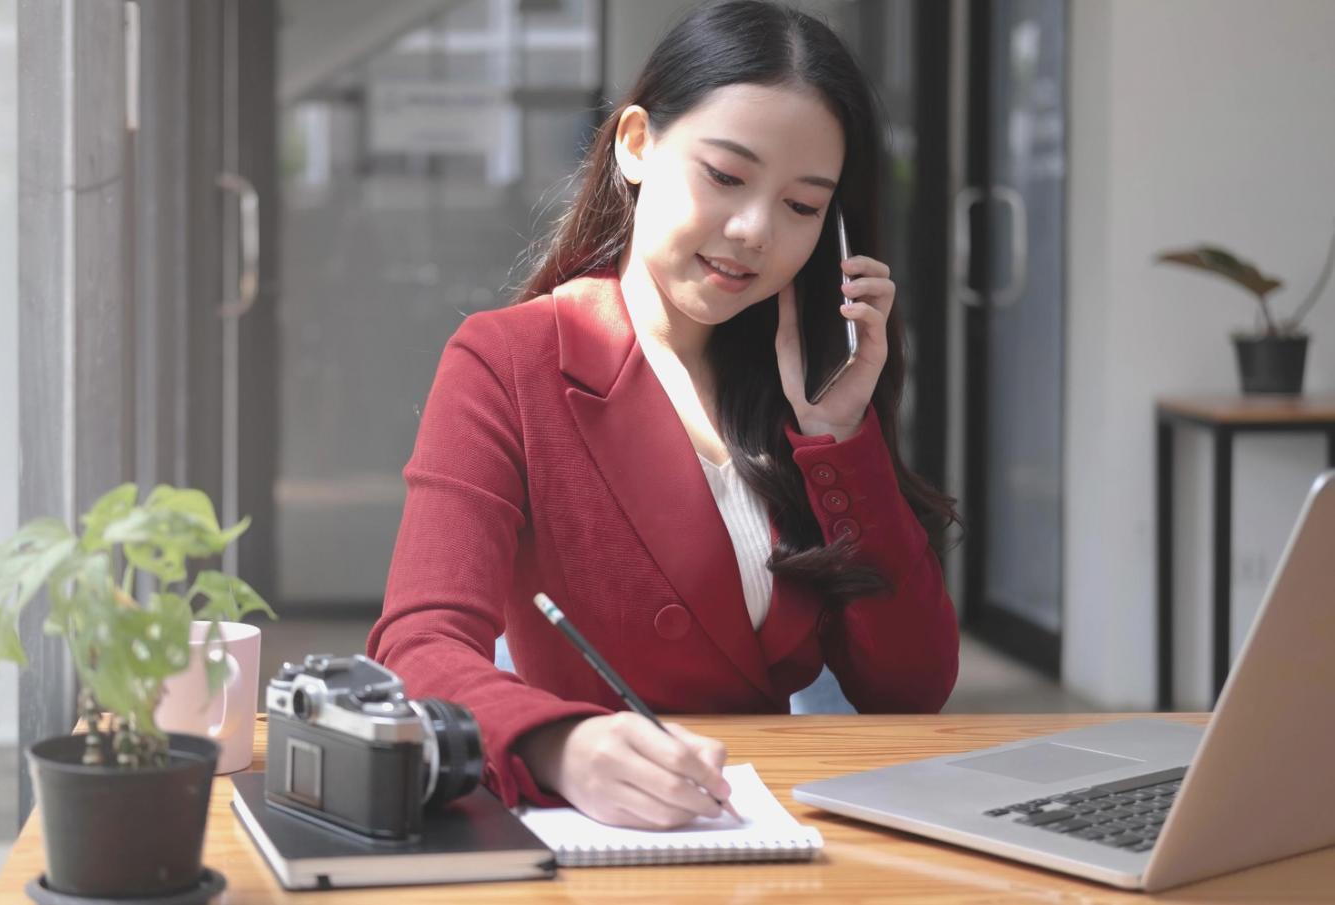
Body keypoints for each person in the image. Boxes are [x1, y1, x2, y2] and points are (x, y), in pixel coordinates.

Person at [367, 0, 959, 831]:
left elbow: (911, 688)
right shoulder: (509, 360)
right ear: (637, 143)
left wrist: (840, 442)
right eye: (725, 176)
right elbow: (418, 645)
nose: (754, 230)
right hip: (593, 828)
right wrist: (559, 745)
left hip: (770, 821)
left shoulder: (800, 385)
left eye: (802, 206)